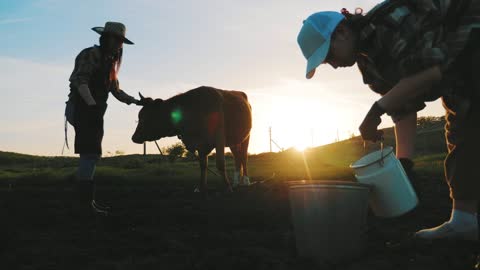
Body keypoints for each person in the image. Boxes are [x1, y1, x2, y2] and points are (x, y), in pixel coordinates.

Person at [297, 0, 479, 241]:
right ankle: (464, 221)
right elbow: (403, 107)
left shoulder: (390, 23)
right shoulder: (369, 65)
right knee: (460, 127)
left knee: (470, 110)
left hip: (471, 28)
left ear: (341, 32)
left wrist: (376, 110)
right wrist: (404, 164)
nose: (332, 64)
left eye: (328, 55)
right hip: (458, 64)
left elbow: (432, 70)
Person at [66, 22, 144, 213]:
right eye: (117, 40)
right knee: (90, 154)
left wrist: (135, 101)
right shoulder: (90, 54)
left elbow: (115, 90)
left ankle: (85, 202)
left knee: (92, 155)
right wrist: (91, 104)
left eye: (121, 41)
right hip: (82, 109)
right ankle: (84, 204)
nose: (120, 45)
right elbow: (79, 80)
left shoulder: (109, 63)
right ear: (107, 38)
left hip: (94, 110)